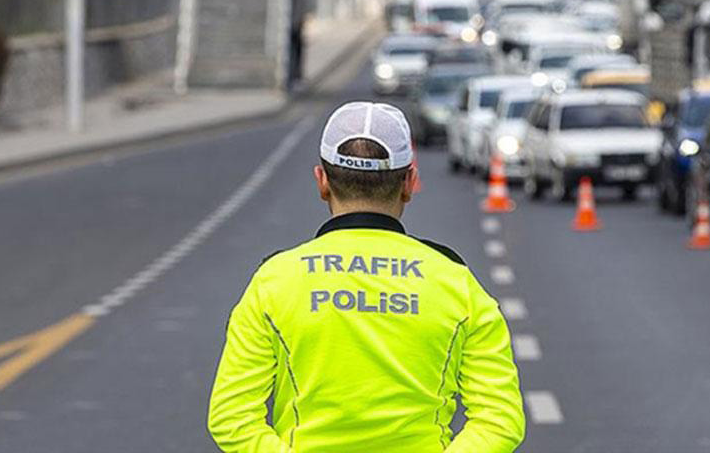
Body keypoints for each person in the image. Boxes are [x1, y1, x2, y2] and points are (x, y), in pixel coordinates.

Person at [208, 102, 525, 452]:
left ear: (323, 181)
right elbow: (500, 419)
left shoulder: (274, 281)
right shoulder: (456, 282)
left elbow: (231, 417)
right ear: (409, 182)